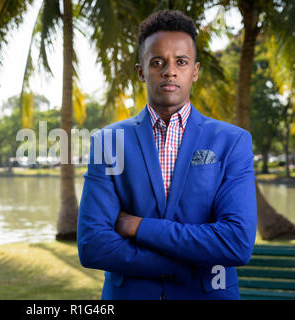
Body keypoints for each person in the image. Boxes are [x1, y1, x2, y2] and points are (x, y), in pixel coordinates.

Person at [77, 10, 257, 300]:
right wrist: (188, 264)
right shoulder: (107, 142)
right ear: (141, 72)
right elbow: (93, 245)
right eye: (157, 62)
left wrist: (137, 226)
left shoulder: (232, 142)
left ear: (194, 71)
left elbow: (236, 242)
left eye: (181, 62)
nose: (169, 70)